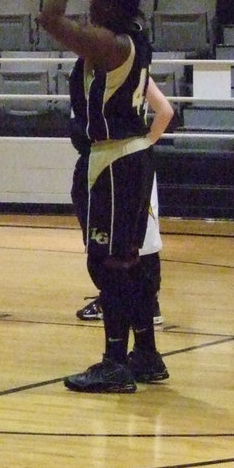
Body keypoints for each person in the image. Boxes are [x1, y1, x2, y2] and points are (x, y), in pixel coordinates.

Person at [38, 0, 158, 393]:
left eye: (96, 3)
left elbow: (49, 17)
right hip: (126, 156)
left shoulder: (107, 45)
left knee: (107, 262)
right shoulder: (131, 33)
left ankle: (114, 361)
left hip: (114, 160)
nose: (91, 4)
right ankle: (144, 353)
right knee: (127, 259)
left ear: (107, 11)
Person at [75, 79, 173, 336]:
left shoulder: (120, 66)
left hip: (123, 167)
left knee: (133, 248)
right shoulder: (122, 68)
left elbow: (165, 111)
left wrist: (145, 142)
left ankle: (144, 307)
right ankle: (133, 309)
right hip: (125, 165)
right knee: (132, 245)